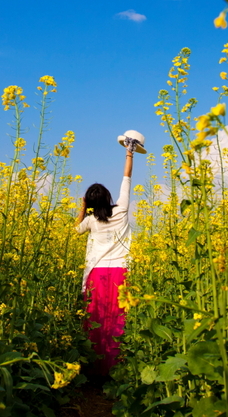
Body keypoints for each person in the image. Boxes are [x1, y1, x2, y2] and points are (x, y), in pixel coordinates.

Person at [76, 134, 142, 377]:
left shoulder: (91, 220)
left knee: (95, 319)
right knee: (117, 320)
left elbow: (74, 230)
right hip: (120, 272)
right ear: (108, 197)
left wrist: (83, 209)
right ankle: (115, 370)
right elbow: (127, 179)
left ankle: (93, 368)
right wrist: (129, 152)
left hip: (96, 273)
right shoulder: (121, 210)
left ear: (91, 204)